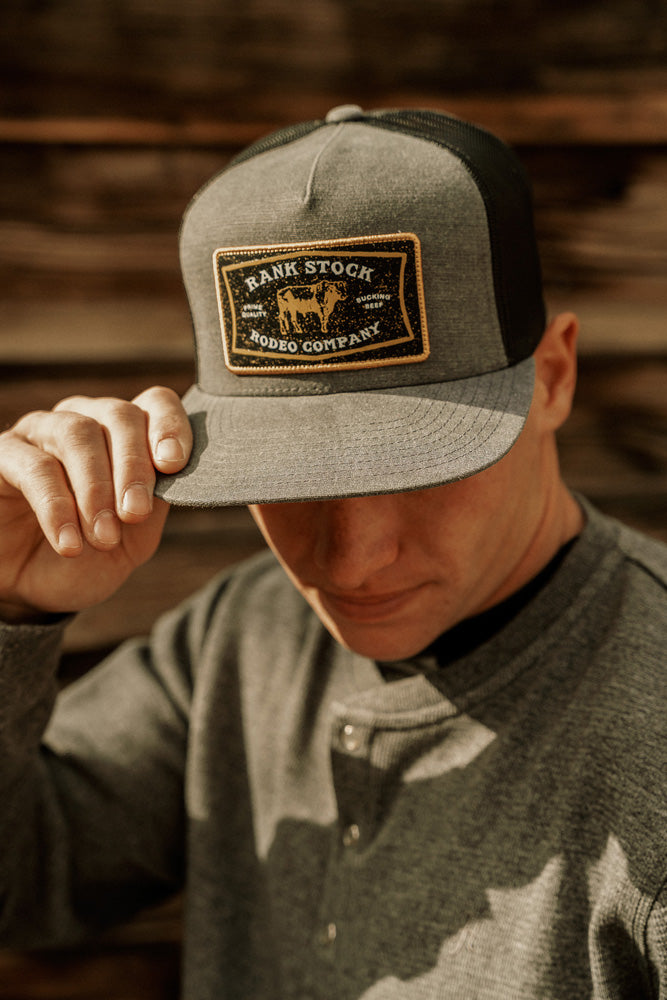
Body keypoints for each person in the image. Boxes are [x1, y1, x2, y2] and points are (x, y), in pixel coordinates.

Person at [0, 105, 664, 1000]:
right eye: (295, 479)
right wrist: (11, 612)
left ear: (551, 377)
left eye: (422, 467)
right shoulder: (244, 634)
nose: (348, 563)